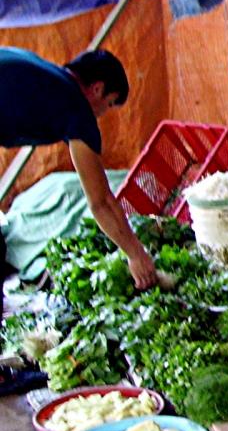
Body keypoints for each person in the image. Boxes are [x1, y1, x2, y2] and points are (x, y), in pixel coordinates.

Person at [0, 47, 157, 288]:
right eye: (109, 103)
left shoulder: (48, 78)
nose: (102, 114)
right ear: (97, 89)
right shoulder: (76, 107)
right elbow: (101, 201)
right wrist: (136, 254)